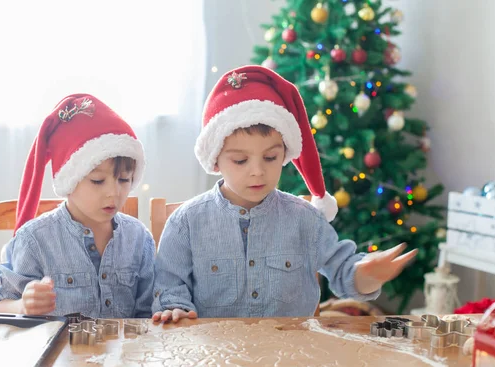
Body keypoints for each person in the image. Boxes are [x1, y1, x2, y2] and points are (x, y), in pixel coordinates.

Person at [152, 66, 417, 322]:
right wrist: (175, 308)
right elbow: (168, 285)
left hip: (292, 356)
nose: (258, 171)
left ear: (284, 154)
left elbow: (343, 271)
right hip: (215, 358)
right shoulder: (187, 221)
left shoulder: (306, 220)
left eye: (270, 157)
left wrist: (366, 275)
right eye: (240, 161)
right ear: (215, 160)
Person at [0, 94, 155, 318]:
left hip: (126, 352)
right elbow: (1, 303)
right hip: (60, 352)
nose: (114, 192)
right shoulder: (34, 239)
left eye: (124, 180)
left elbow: (149, 312)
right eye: (97, 181)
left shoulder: (139, 238)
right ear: (69, 181)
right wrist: (22, 306)